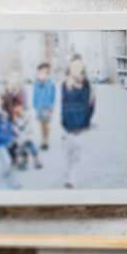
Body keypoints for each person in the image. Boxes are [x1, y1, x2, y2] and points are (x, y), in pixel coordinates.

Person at [61, 53, 95, 190]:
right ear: (70, 67)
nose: (76, 68)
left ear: (82, 67)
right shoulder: (65, 83)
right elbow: (63, 103)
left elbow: (89, 104)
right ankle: (70, 175)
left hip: (81, 124)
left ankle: (72, 175)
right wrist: (63, 123)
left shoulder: (87, 84)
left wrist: (87, 122)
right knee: (70, 152)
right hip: (69, 125)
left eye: (78, 65)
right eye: (73, 66)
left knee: (77, 153)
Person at [9, 102, 43, 173]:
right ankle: (23, 160)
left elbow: (32, 130)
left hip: (28, 138)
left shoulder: (28, 117)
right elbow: (14, 132)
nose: (17, 112)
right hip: (19, 140)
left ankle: (36, 160)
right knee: (17, 148)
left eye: (19, 110)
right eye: (15, 111)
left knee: (31, 145)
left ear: (22, 109)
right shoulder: (13, 120)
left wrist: (29, 138)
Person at [33, 62, 56, 150]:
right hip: (39, 107)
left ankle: (46, 140)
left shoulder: (51, 84)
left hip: (47, 107)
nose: (42, 74)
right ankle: (43, 139)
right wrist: (34, 105)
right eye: (40, 72)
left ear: (47, 73)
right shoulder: (36, 84)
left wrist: (51, 106)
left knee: (46, 124)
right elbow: (34, 95)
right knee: (41, 124)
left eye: (44, 72)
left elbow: (53, 96)